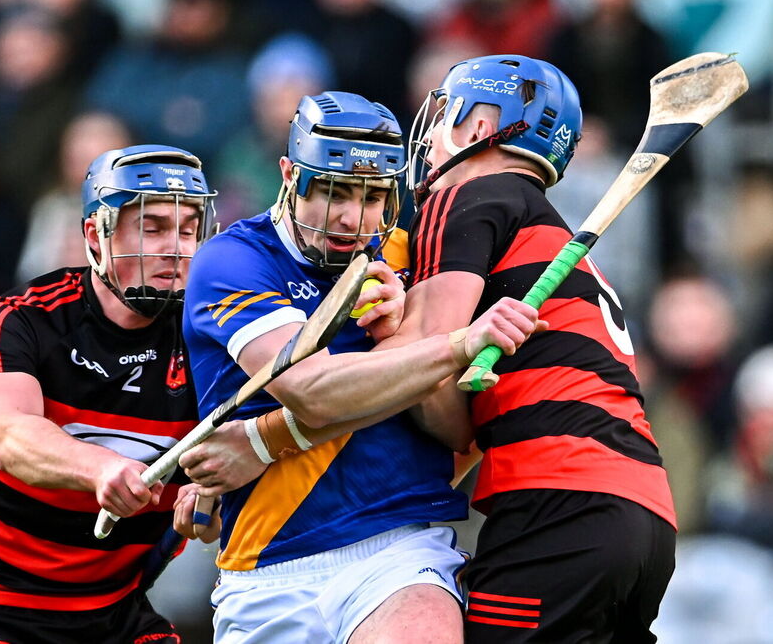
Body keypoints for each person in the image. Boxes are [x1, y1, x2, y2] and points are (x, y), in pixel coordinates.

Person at [176, 91, 544, 644]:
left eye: (373, 196)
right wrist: (452, 346)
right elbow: (312, 391)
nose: (353, 218)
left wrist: (402, 335)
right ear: (289, 176)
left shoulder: (410, 256)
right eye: (333, 191)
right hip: (267, 569)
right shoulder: (235, 260)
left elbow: (457, 432)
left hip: (400, 552)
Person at [396, 54, 676, 641]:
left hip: (559, 502)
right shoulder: (545, 231)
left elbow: (421, 369)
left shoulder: (469, 197)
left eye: (447, 114)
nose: (433, 134)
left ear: (479, 126)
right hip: (646, 510)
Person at [0, 145, 219, 644]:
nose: (176, 248)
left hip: (114, 614)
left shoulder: (210, 338)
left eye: (188, 230)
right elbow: (11, 437)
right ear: (96, 236)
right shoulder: (19, 319)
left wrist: (213, 500)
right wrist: (101, 468)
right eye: (152, 229)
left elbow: (234, 462)